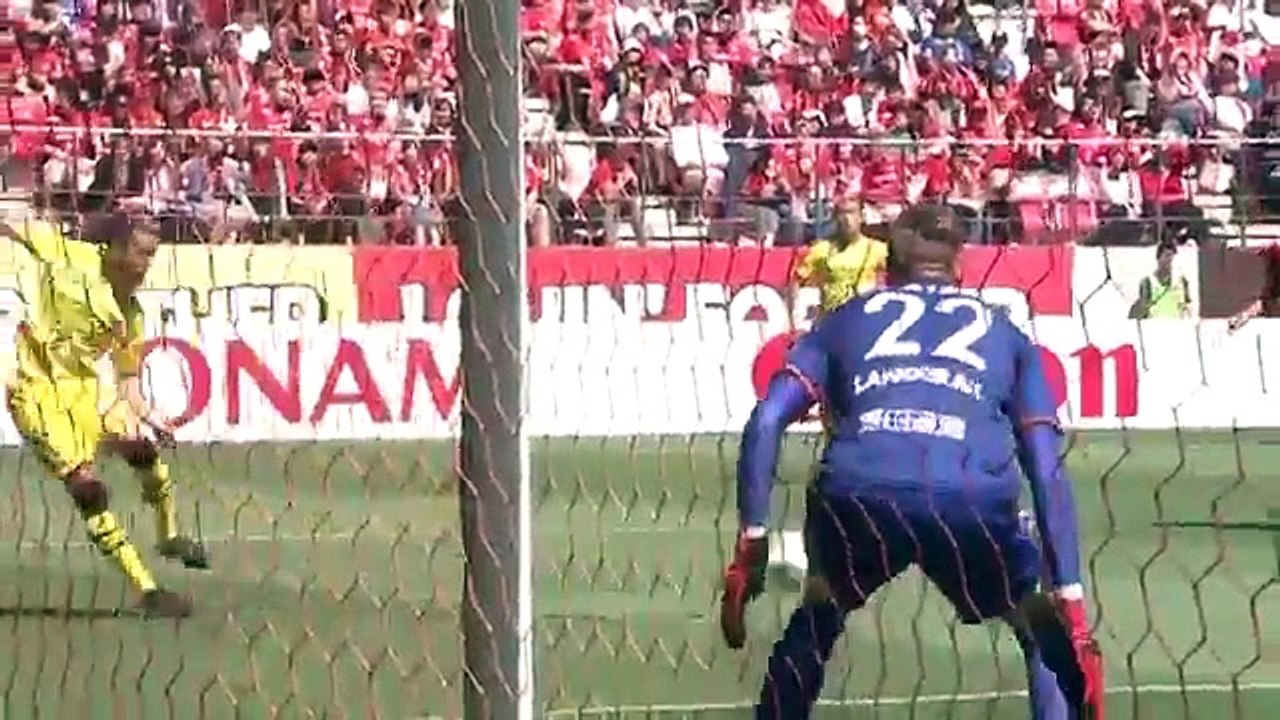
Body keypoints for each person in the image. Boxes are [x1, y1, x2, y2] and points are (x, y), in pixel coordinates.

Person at [721, 225, 1105, 719]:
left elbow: (767, 418)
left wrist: (752, 541)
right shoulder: (1007, 334)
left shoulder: (847, 319)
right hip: (969, 495)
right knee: (1037, 628)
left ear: (886, 272)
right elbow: (1044, 462)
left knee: (821, 609)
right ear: (960, 271)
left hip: (859, 490)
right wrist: (1070, 603)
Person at [1, 212, 209, 618]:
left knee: (143, 453)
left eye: (152, 255)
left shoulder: (130, 314)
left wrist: (149, 416)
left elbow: (128, 382)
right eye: (141, 252)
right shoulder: (68, 255)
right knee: (88, 489)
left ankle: (168, 536)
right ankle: (148, 590)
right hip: (36, 391)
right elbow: (11, 225)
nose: (146, 264)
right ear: (113, 250)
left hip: (88, 391)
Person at [1131, 243, 1190, 320]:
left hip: (1176, 327)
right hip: (1155, 327)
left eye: (1172, 256)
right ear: (1158, 258)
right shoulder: (1147, 282)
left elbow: (1188, 307)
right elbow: (1143, 309)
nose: (1170, 260)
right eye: (1167, 256)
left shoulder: (1181, 281)